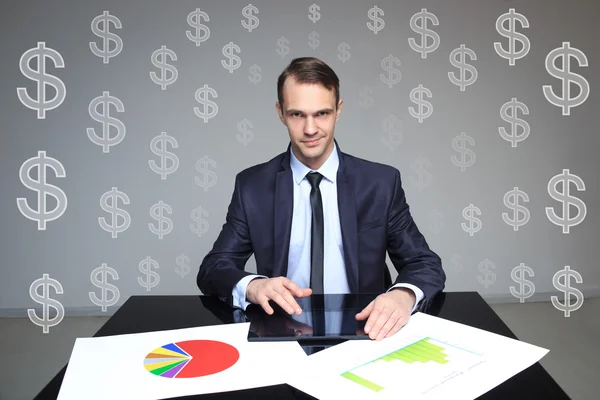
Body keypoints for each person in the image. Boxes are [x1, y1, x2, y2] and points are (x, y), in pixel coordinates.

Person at [197, 57, 445, 341]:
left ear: (338, 110)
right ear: (280, 112)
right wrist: (252, 285)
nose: (311, 129)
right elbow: (213, 268)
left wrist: (402, 296)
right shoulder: (252, 186)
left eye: (322, 114)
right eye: (297, 115)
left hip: (366, 334)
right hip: (283, 335)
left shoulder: (380, 183)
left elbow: (424, 262)